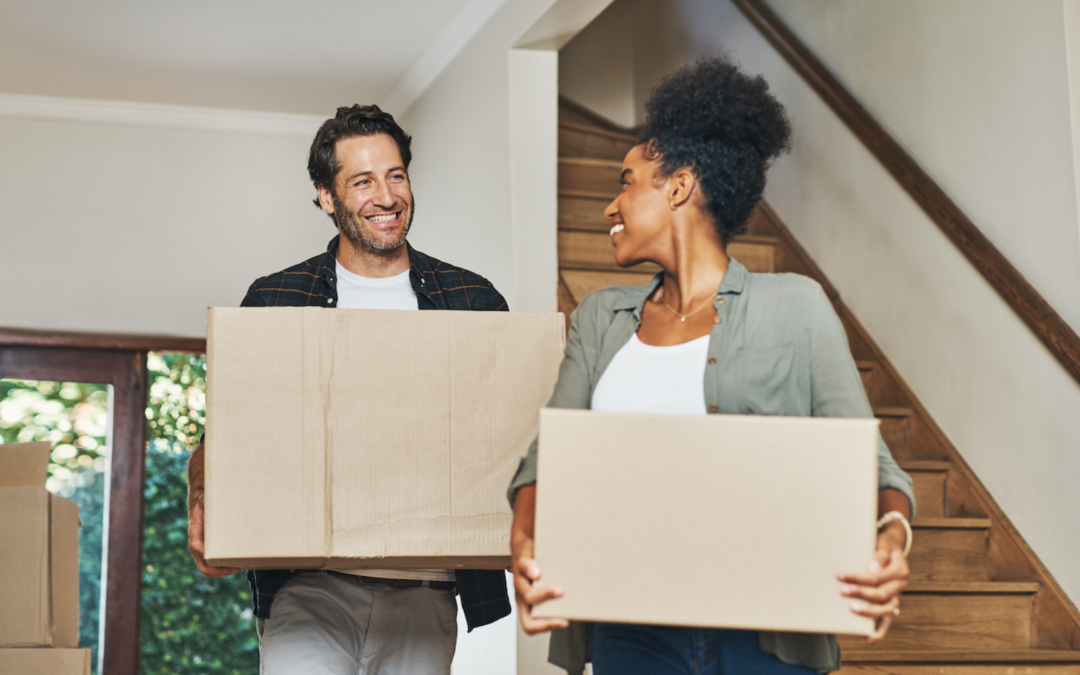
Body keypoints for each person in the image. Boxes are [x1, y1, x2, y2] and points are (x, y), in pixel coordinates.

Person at [507, 58, 916, 675]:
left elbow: (873, 467)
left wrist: (890, 538)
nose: (609, 207)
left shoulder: (795, 308)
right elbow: (547, 460)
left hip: (768, 640)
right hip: (629, 632)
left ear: (678, 186)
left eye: (627, 182)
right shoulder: (599, 318)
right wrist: (526, 545)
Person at [186, 104, 511, 675]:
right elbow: (232, 432)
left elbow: (505, 437)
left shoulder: (473, 298)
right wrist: (202, 495)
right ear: (326, 197)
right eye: (362, 181)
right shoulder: (276, 298)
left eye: (396, 175)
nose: (386, 196)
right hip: (309, 587)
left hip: (427, 590)